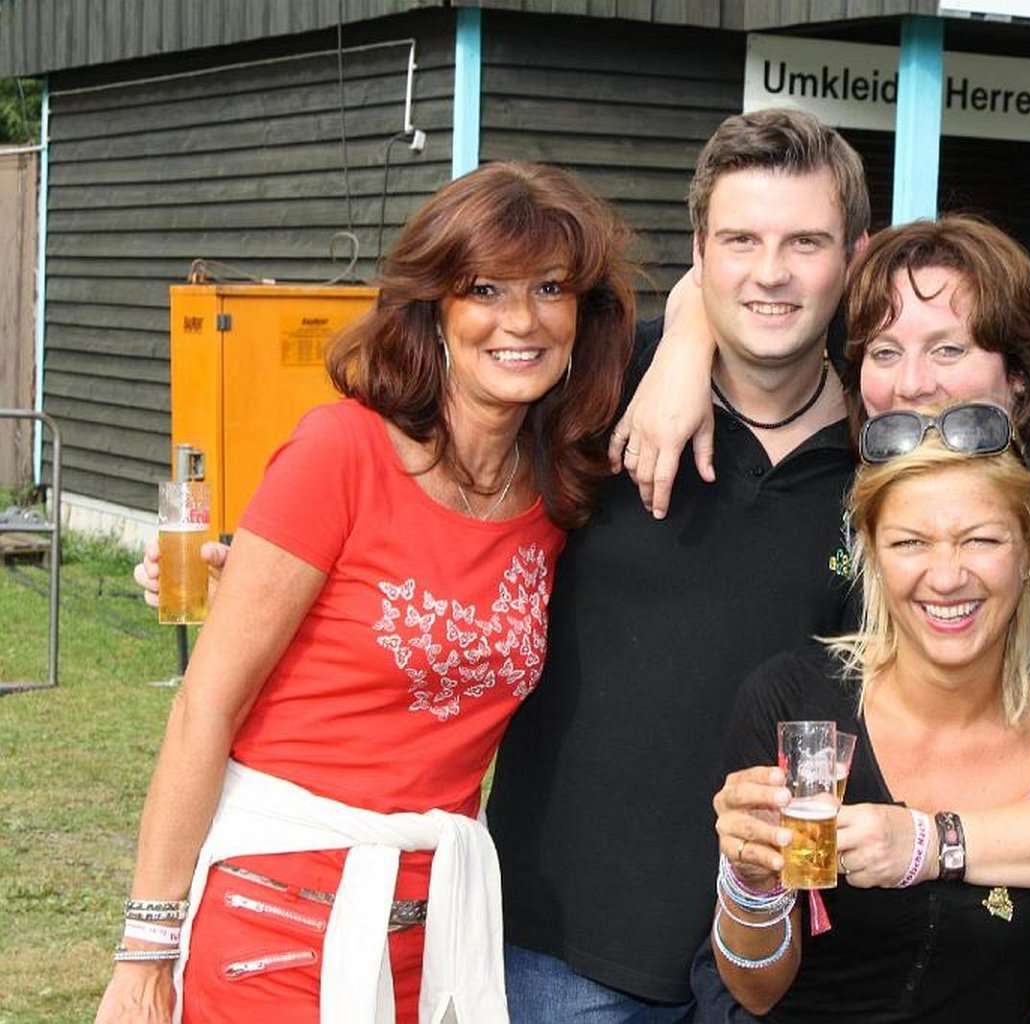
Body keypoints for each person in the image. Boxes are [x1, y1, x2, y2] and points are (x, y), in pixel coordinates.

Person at [135, 107, 866, 1023]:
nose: (770, 270)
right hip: (477, 938)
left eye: (805, 242)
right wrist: (146, 947)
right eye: (740, 240)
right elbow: (219, 693)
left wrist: (685, 339)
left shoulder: (864, 452)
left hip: (676, 946)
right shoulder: (497, 419)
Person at [619, 216, 1030, 1023]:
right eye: (883, 352)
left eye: (948, 349)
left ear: (1019, 379)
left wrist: (930, 843)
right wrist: (684, 343)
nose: (911, 385)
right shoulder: (803, 680)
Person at [101, 161, 636, 1023]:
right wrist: (145, 951)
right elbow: (205, 705)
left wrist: (688, 336)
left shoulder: (555, 494)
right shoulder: (340, 453)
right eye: (485, 289)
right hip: (278, 922)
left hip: (436, 934)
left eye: (549, 288)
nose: (521, 320)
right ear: (433, 308)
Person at [709, 404, 1030, 1021]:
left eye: (981, 540)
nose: (947, 576)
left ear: (1029, 554)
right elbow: (757, 991)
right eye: (910, 543)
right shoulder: (793, 705)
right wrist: (751, 886)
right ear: (873, 558)